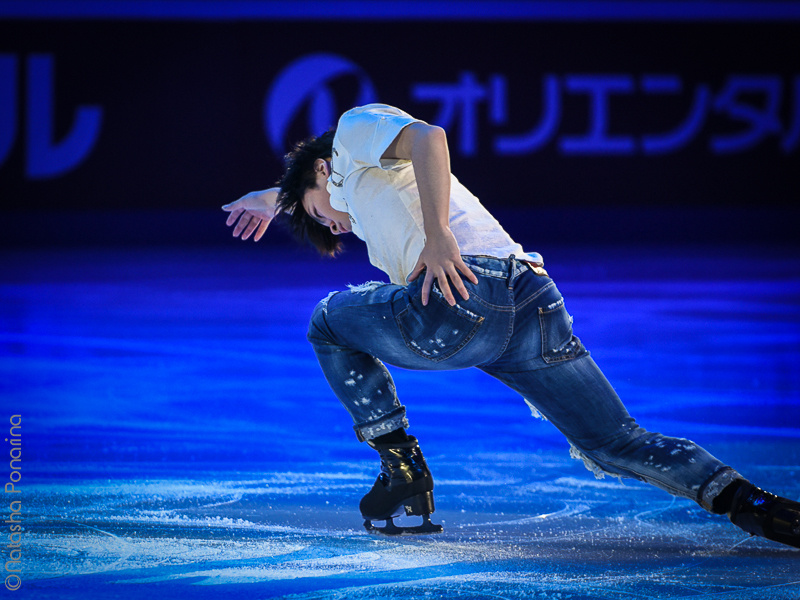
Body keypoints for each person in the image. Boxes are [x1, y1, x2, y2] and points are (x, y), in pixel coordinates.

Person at [222, 103, 800, 546]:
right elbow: (327, 191)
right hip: (533, 301)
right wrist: (279, 197)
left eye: (321, 215)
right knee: (614, 442)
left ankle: (401, 467)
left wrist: (439, 237)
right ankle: (755, 506)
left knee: (328, 321)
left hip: (463, 298)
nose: (337, 227)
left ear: (322, 168)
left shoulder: (352, 132)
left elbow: (429, 137)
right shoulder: (355, 185)